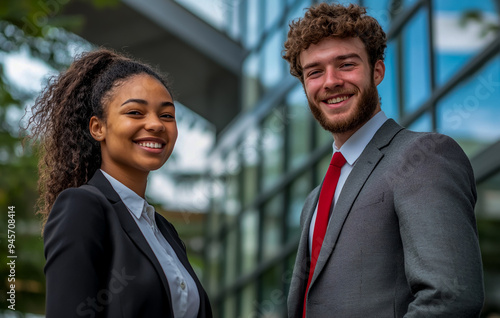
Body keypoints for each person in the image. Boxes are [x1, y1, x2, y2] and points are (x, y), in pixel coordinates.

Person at [282, 3, 484, 317]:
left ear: (377, 71)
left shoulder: (423, 156)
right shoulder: (314, 200)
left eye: (346, 64)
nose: (330, 81)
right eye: (315, 72)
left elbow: (449, 298)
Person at [28, 48, 212, 317]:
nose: (156, 125)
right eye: (136, 112)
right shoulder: (82, 207)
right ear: (97, 128)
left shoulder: (164, 230)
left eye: (167, 115)